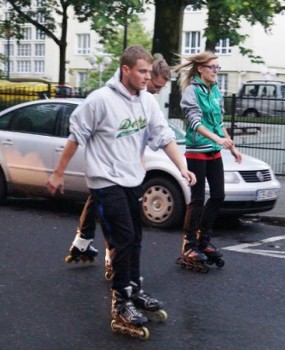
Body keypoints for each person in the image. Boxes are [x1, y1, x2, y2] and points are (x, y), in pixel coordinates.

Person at [46, 46, 195, 335]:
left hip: (132, 179)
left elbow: (164, 137)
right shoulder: (100, 101)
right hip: (105, 182)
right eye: (141, 71)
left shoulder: (146, 102)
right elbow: (76, 137)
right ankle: (120, 303)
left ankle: (134, 290)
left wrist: (181, 167)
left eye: (148, 72)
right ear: (125, 70)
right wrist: (58, 172)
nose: (146, 77)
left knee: (135, 238)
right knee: (123, 238)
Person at [63, 56, 172, 279]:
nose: (157, 90)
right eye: (156, 84)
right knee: (118, 222)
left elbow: (153, 135)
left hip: (129, 171)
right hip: (110, 170)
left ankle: (88, 246)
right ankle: (118, 278)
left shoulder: (145, 100)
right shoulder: (111, 99)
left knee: (127, 228)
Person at [173, 51, 242, 272]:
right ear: (200, 69)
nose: (216, 71)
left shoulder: (215, 92)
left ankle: (204, 240)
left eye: (217, 67)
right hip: (196, 151)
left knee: (219, 195)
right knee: (198, 198)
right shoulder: (191, 91)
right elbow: (194, 123)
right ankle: (189, 243)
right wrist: (217, 139)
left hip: (214, 151)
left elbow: (219, 122)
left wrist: (232, 147)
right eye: (212, 67)